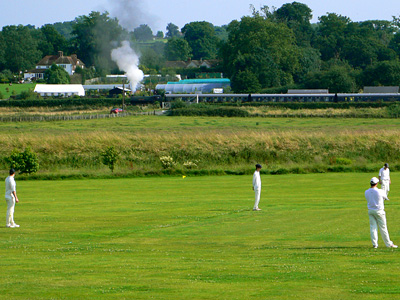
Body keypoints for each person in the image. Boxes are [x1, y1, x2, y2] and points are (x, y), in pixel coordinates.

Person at [365, 177, 397, 248]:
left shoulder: (366, 191)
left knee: (373, 227)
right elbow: (385, 197)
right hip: (379, 211)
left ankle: (375, 244)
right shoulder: (380, 191)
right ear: (376, 183)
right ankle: (388, 244)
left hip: (370, 211)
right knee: (383, 228)